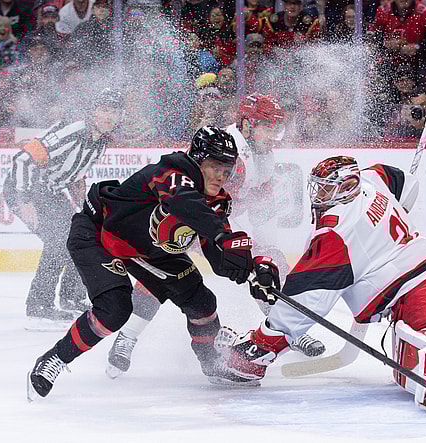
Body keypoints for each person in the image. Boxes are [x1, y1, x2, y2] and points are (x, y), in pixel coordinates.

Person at [216, 156, 426, 411]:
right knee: (408, 347)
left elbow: (307, 299)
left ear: (345, 186)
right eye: (317, 188)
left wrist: (264, 344)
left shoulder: (336, 232)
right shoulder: (371, 180)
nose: (318, 195)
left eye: (326, 189)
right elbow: (403, 181)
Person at [27, 126, 267, 400]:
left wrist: (250, 270)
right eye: (215, 166)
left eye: (227, 169)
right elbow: (184, 202)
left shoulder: (217, 202)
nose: (221, 175)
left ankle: (211, 363)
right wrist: (223, 234)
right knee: (114, 309)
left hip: (148, 251)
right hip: (99, 233)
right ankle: (55, 358)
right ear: (197, 159)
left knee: (201, 302)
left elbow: (217, 255)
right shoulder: (171, 171)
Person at [105, 95, 325, 379]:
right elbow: (203, 201)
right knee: (162, 275)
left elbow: (247, 203)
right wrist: (230, 240)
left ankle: (285, 329)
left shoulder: (261, 156)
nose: (274, 135)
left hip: (213, 223)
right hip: (186, 222)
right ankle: (127, 337)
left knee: (272, 263)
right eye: (268, 127)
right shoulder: (236, 159)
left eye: (276, 127)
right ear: (247, 124)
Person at [3, 88, 122, 331]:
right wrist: (25, 200)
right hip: (24, 188)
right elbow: (23, 160)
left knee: (82, 239)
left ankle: (71, 297)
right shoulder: (73, 131)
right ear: (92, 112)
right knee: (59, 242)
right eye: (105, 109)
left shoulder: (100, 142)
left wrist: (85, 208)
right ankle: (38, 305)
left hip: (51, 192)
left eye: (116, 111)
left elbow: (75, 176)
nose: (110, 116)